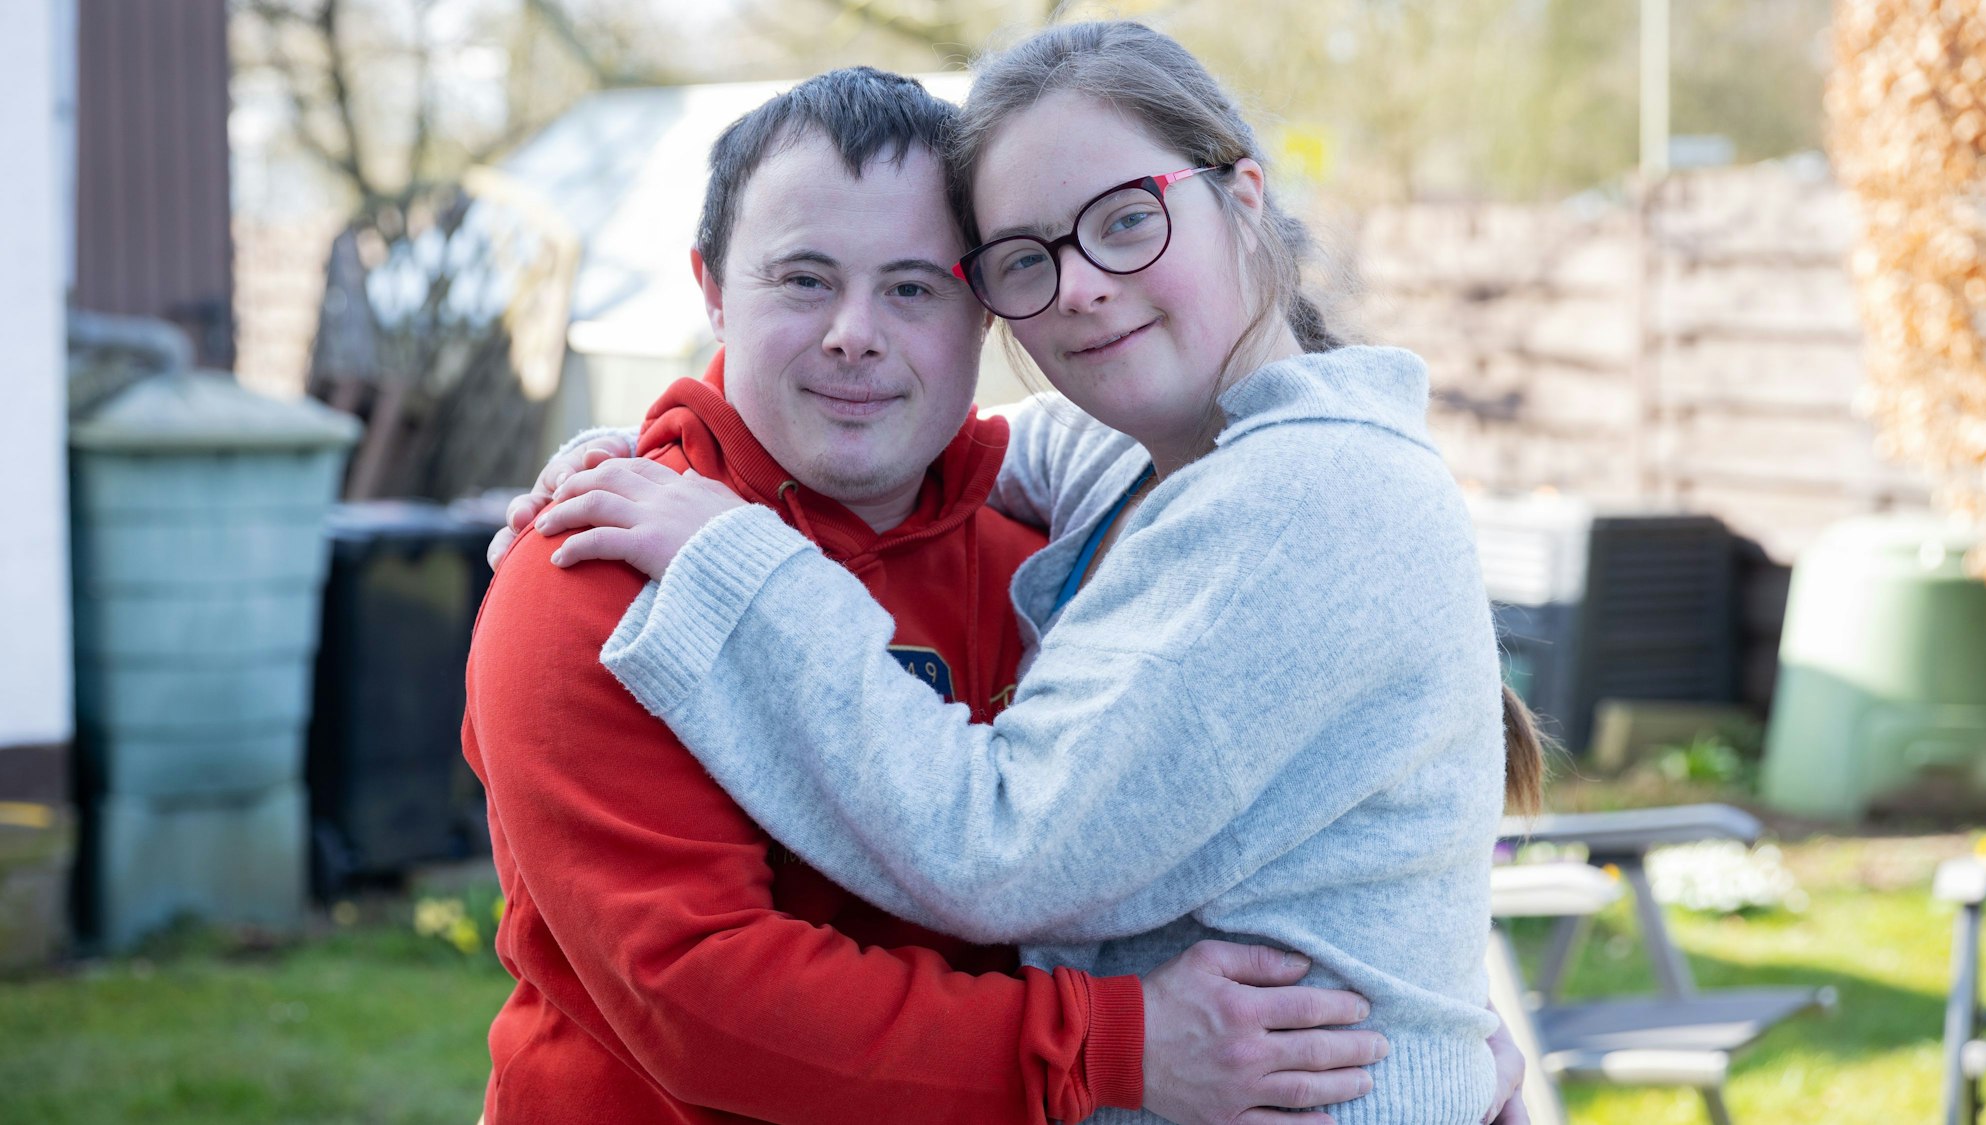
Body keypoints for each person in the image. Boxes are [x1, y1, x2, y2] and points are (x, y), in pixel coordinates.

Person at [520, 21, 1543, 1125]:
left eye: (1126, 222)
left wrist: (734, 562)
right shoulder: (1140, 458)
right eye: (1026, 258)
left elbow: (999, 848)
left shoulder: (1306, 492)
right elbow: (968, 447)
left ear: (1242, 196)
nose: (1083, 288)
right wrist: (672, 445)